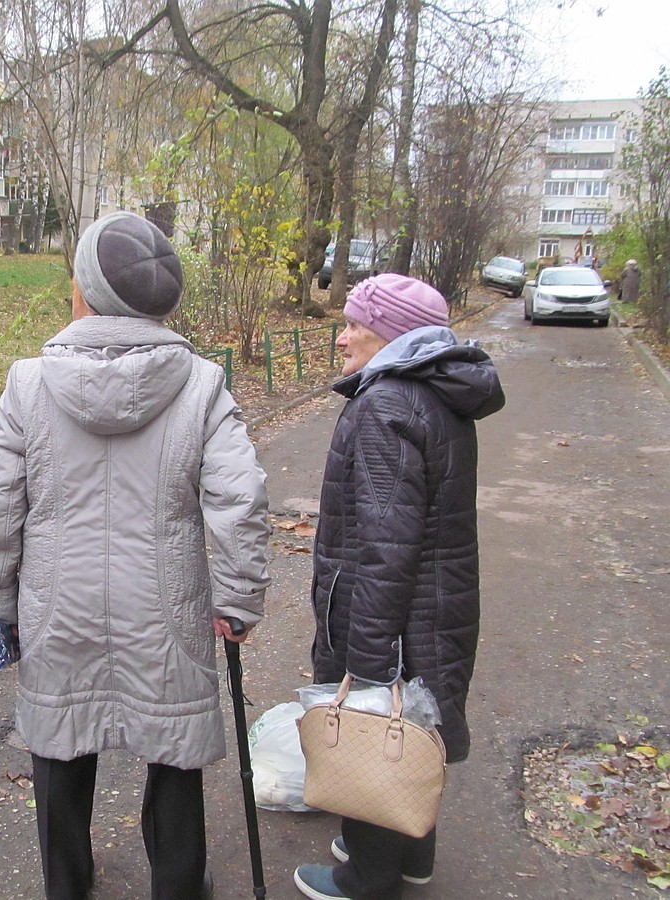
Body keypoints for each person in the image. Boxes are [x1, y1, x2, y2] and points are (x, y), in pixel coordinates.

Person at [0, 211, 272, 900]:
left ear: (87, 290)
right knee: (174, 754)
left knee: (60, 742)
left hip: (57, 603)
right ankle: (178, 886)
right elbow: (240, 500)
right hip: (166, 607)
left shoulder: (27, 383)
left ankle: (67, 885)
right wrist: (237, 597)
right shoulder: (200, 384)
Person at [292, 273, 505, 900]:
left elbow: (385, 547)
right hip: (437, 608)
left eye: (355, 324)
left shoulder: (387, 403)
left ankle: (367, 876)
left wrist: (371, 656)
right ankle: (412, 855)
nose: (341, 337)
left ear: (390, 333)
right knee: (418, 723)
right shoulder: (434, 390)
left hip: (397, 613)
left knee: (375, 721)